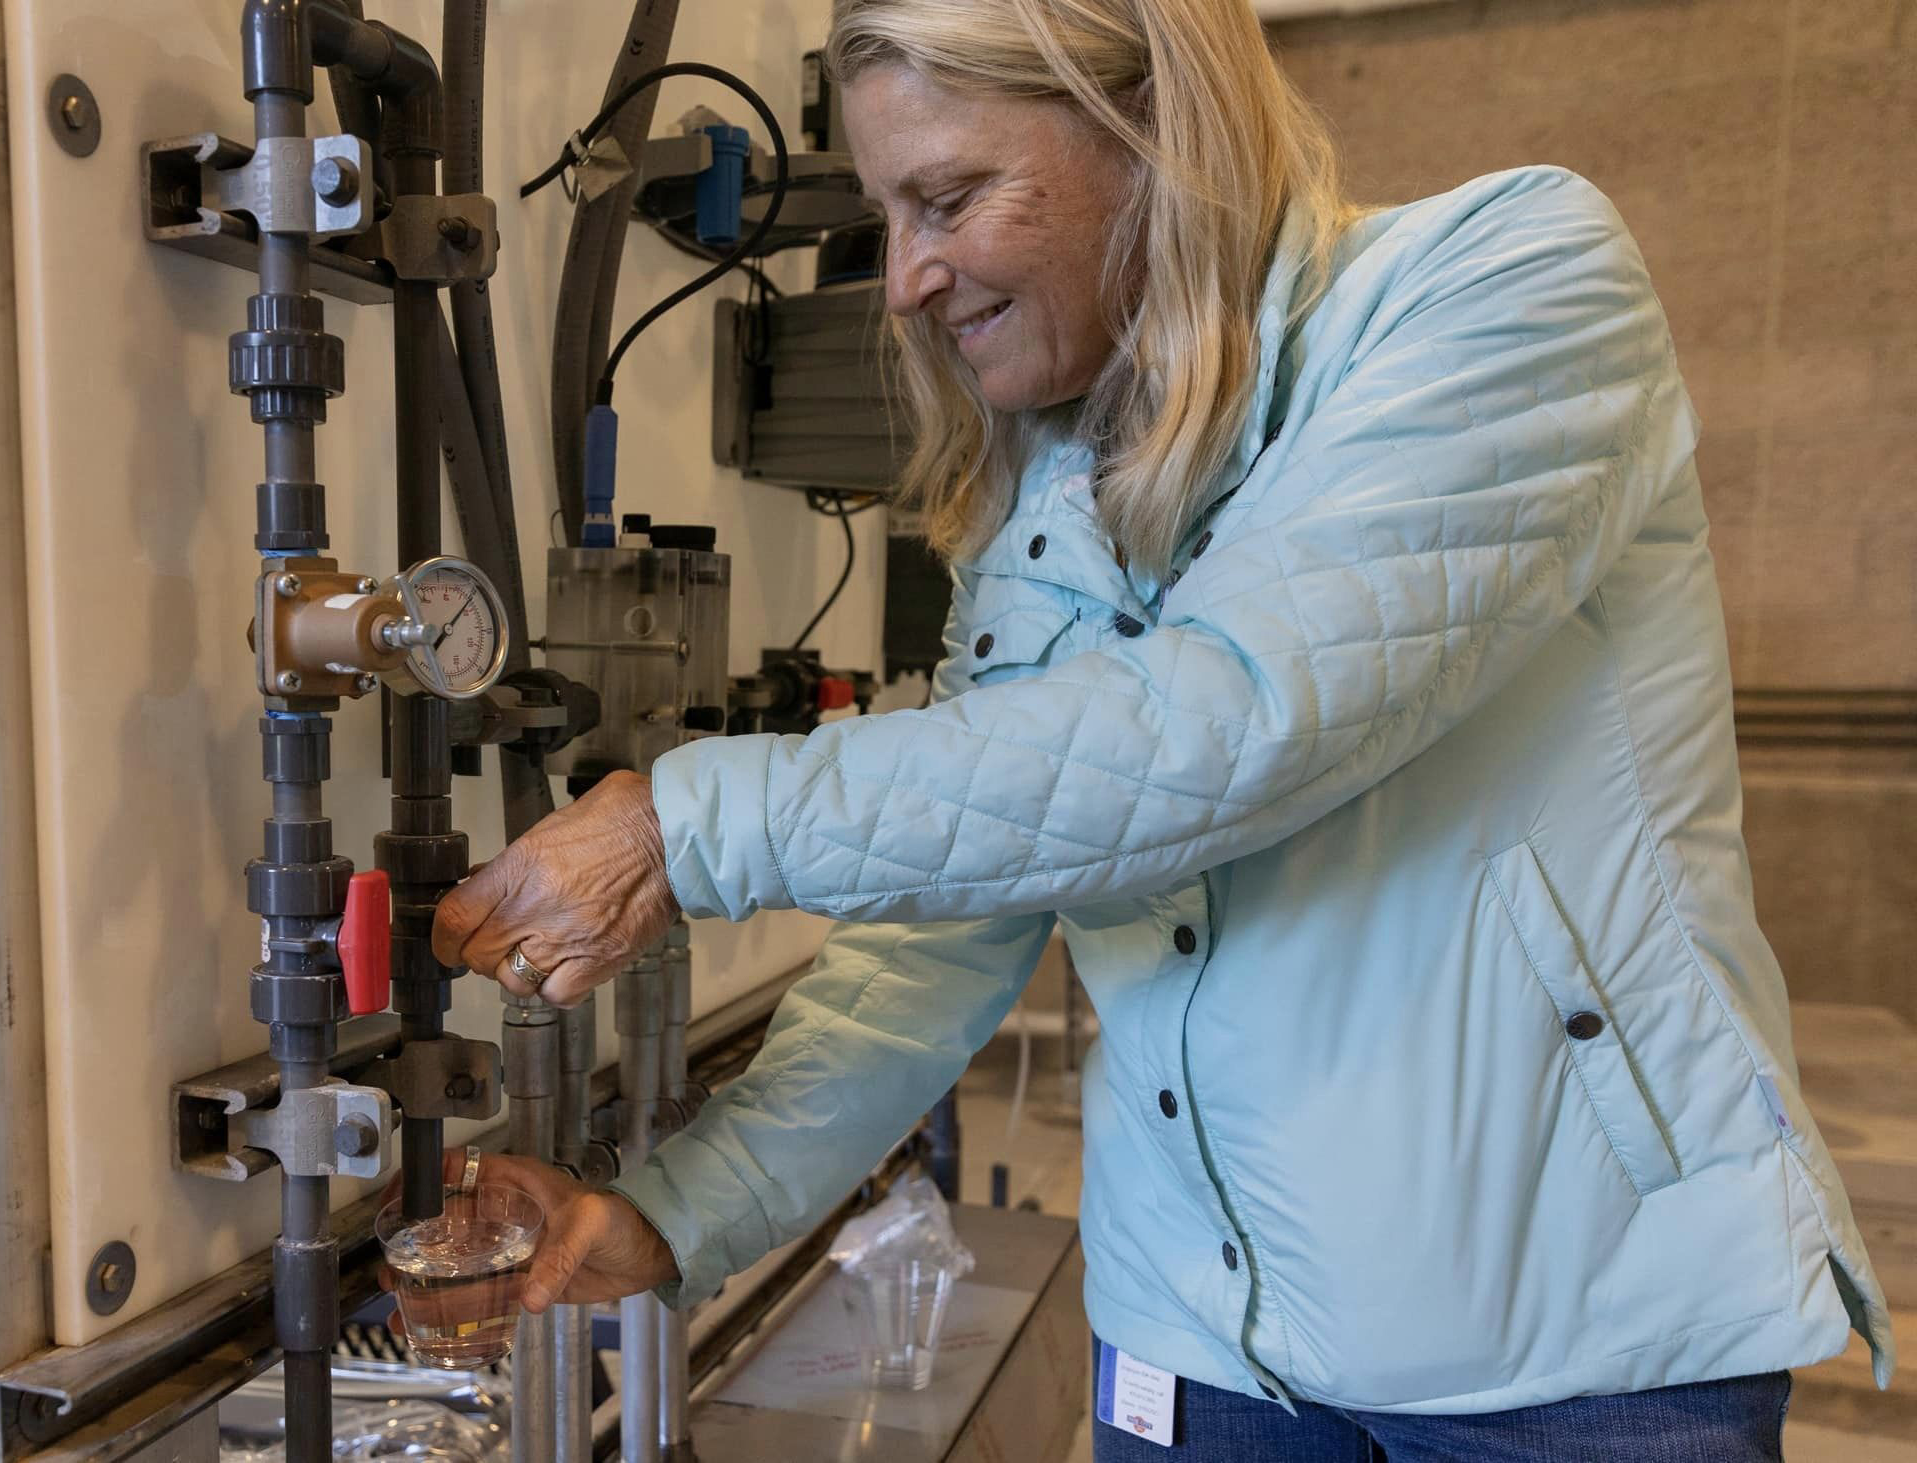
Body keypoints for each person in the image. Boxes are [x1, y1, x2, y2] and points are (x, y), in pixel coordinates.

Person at [423, 0, 1895, 1455]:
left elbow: (1231, 723)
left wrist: (685, 822)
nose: (906, 282)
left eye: (949, 198)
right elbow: (945, 930)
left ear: (1152, 130)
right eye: (887, 214)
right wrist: (682, 1210)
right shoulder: (1049, 485)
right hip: (1198, 1350)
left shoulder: (1507, 281)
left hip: (1576, 1354)